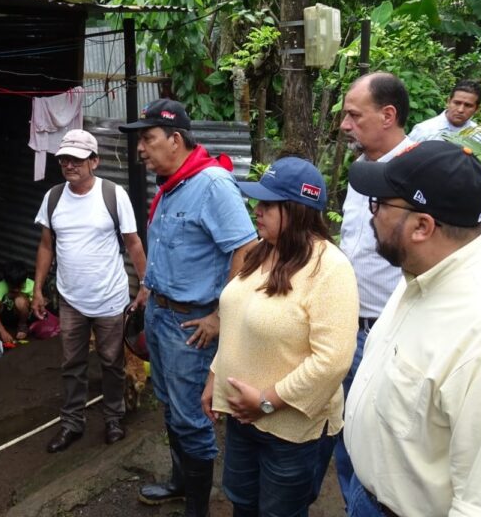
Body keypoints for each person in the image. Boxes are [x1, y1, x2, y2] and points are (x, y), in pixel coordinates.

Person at [344, 141, 481, 517]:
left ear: (422, 226)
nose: (371, 215)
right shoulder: (424, 272)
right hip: (368, 497)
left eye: (379, 204)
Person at [119, 99, 257, 517]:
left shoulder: (212, 184)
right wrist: (148, 289)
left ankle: (197, 508)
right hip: (161, 313)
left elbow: (246, 249)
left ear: (174, 139)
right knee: (169, 404)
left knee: (191, 416)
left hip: (190, 323)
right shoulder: (174, 182)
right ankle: (181, 482)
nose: (140, 149)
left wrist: (221, 315)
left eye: (148, 138)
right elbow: (167, 249)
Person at [201, 156, 358, 517]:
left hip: (291, 428)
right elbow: (236, 321)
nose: (258, 210)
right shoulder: (260, 251)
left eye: (270, 204)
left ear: (298, 210)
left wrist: (268, 401)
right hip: (244, 416)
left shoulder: (330, 268)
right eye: (258, 201)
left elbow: (332, 361)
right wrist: (215, 377)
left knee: (279, 512)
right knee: (243, 503)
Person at [31, 129, 148, 453]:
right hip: (70, 300)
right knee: (72, 363)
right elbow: (46, 245)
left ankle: (113, 418)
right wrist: (39, 289)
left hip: (110, 298)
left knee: (111, 362)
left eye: (77, 159)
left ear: (94, 161)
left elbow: (133, 242)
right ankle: (71, 424)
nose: (69, 165)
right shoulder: (54, 197)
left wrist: (145, 284)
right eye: (64, 159)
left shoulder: (112, 195)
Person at [334, 71, 415, 502]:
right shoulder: (361, 169)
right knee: (346, 436)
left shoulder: (420, 172)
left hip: (391, 335)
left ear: (388, 115)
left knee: (383, 446)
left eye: (353, 115)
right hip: (348, 327)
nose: (345, 124)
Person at [408, 79, 481, 142]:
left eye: (468, 105)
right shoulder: (424, 131)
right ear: (448, 102)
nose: (460, 110)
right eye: (457, 103)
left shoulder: (479, 135)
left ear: (477, 109)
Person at [0, 259, 34, 343]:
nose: (16, 289)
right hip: (6, 316)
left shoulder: (31, 285)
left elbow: (34, 307)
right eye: (13, 286)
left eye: (19, 286)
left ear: (25, 279)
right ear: (6, 281)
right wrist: (2, 331)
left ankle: (22, 326)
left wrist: (21, 296)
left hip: (22, 316)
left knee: (20, 301)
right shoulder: (3, 285)